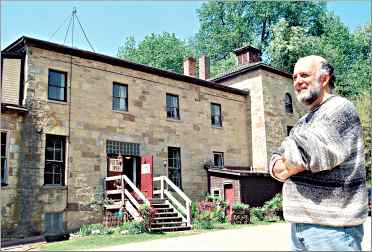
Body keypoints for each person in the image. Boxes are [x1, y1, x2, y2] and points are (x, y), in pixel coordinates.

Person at [269, 55, 368, 251]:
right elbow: (274, 162)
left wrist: (290, 156)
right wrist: (287, 157)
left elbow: (304, 155)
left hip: (333, 230)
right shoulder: (303, 121)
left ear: (324, 78)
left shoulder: (339, 109)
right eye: (294, 77)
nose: (297, 81)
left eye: (304, 75)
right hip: (300, 229)